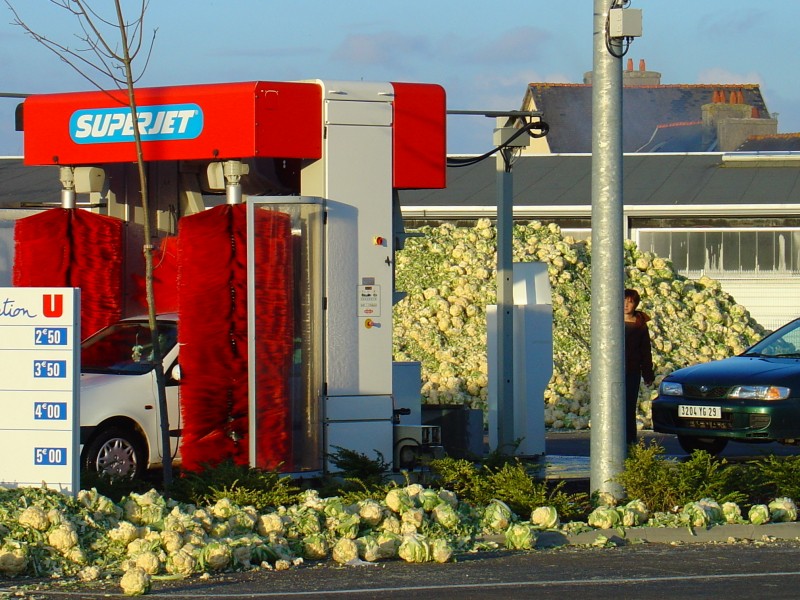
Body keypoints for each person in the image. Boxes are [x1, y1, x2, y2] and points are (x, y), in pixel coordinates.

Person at [624, 288, 655, 448]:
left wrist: (647, 373)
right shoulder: (611, 321)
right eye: (624, 301)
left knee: (629, 406)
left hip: (632, 370)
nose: (626, 305)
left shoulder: (640, 325)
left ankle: (630, 440)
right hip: (613, 371)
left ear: (635, 304)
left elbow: (645, 350)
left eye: (630, 302)